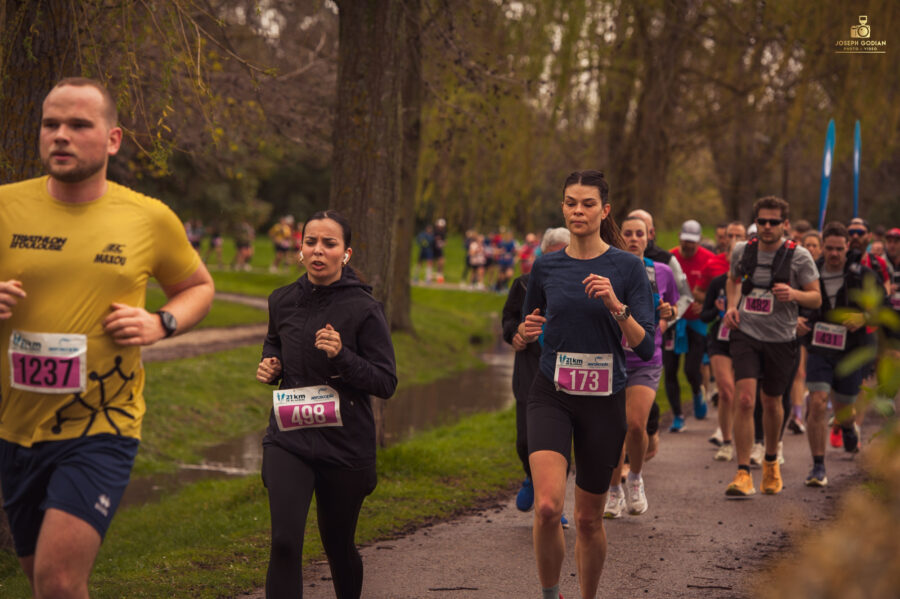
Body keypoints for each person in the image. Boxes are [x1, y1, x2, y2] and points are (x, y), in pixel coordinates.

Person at [0, 77, 215, 598]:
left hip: (103, 423)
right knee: (43, 581)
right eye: (51, 124)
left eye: (78, 125)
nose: (61, 136)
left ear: (113, 139)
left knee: (57, 580)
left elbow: (198, 286)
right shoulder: (5, 206)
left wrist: (161, 323)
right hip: (17, 427)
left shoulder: (147, 217)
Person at [519, 170, 655, 599]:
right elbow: (528, 326)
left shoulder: (628, 267)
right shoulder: (546, 266)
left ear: (604, 210)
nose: (578, 211)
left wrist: (615, 305)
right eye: (571, 203)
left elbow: (646, 346)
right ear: (563, 207)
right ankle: (549, 594)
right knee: (546, 508)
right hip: (551, 394)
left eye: (588, 204)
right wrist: (525, 331)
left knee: (588, 521)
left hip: (603, 398)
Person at [256, 210, 397, 599]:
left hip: (345, 444)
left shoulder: (364, 309)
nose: (319, 250)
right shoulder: (282, 300)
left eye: (329, 244)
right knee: (284, 542)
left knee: (338, 545)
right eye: (311, 242)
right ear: (300, 249)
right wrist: (273, 363)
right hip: (289, 438)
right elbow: (274, 340)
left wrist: (342, 356)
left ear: (345, 254)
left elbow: (386, 382)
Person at [723, 196, 821, 497]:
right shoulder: (743, 250)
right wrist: (732, 305)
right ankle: (742, 472)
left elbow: (816, 298)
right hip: (746, 332)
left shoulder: (800, 256)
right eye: (762, 221)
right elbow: (733, 279)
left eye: (774, 222)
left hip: (781, 337)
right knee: (745, 400)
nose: (767, 226)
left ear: (785, 224)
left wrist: (794, 294)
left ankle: (770, 461)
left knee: (771, 402)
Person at [604, 216, 678, 519]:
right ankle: (613, 490)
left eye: (640, 234)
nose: (634, 238)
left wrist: (668, 313)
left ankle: (634, 478)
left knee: (635, 424)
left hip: (646, 358)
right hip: (611, 357)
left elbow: (672, 307)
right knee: (612, 429)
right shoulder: (608, 269)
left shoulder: (662, 271)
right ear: (619, 237)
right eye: (628, 234)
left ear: (649, 237)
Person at [802, 222, 878, 486]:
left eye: (839, 249)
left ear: (848, 247)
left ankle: (847, 427)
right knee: (818, 400)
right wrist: (801, 320)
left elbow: (884, 305)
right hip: (819, 347)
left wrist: (864, 316)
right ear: (822, 246)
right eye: (829, 248)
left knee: (845, 406)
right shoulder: (810, 272)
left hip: (851, 350)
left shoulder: (861, 274)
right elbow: (799, 302)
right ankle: (818, 466)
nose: (834, 254)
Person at [502, 227, 571, 519]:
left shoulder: (579, 287)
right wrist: (513, 335)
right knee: (525, 440)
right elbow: (508, 320)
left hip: (565, 374)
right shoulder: (523, 284)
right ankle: (530, 476)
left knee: (559, 443)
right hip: (530, 370)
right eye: (550, 256)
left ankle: (554, 502)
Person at [700, 222, 747, 461]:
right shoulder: (719, 282)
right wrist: (718, 311)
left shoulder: (752, 284)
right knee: (727, 392)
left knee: (744, 396)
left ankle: (748, 441)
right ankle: (726, 441)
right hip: (720, 340)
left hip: (747, 340)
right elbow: (704, 314)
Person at [667, 219, 715, 429]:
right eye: (686, 241)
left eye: (693, 242)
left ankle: (697, 392)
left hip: (696, 323)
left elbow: (718, 289)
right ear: (680, 237)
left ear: (699, 241)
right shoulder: (670, 258)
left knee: (691, 369)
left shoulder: (708, 260)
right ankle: (678, 416)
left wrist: (705, 304)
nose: (689, 245)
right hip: (671, 321)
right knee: (670, 370)